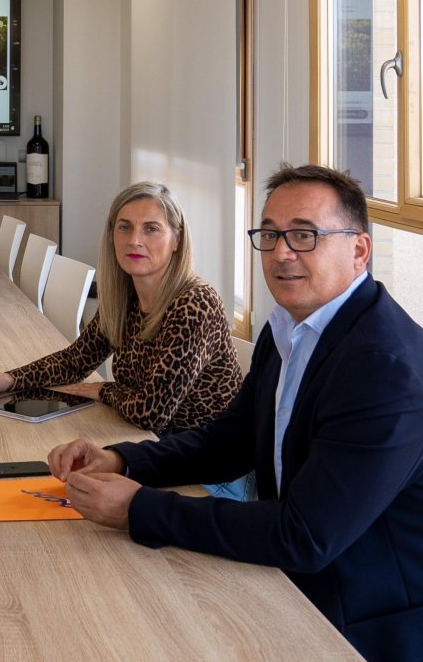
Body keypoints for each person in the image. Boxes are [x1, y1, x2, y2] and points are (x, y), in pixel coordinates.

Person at [47, 164, 423, 660]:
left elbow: (304, 536)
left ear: (359, 250)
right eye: (269, 234)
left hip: (355, 621)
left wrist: (139, 509)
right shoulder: (289, 325)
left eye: (304, 235)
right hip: (286, 582)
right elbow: (230, 442)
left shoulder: (383, 366)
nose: (281, 253)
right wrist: (121, 460)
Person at [0, 182, 242, 436]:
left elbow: (151, 413)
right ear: (112, 235)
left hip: (205, 467)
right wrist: (10, 379)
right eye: (125, 227)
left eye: (151, 228)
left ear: (177, 240)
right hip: (149, 444)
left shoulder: (195, 304)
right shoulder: (126, 296)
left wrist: (101, 389)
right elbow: (75, 361)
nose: (135, 240)